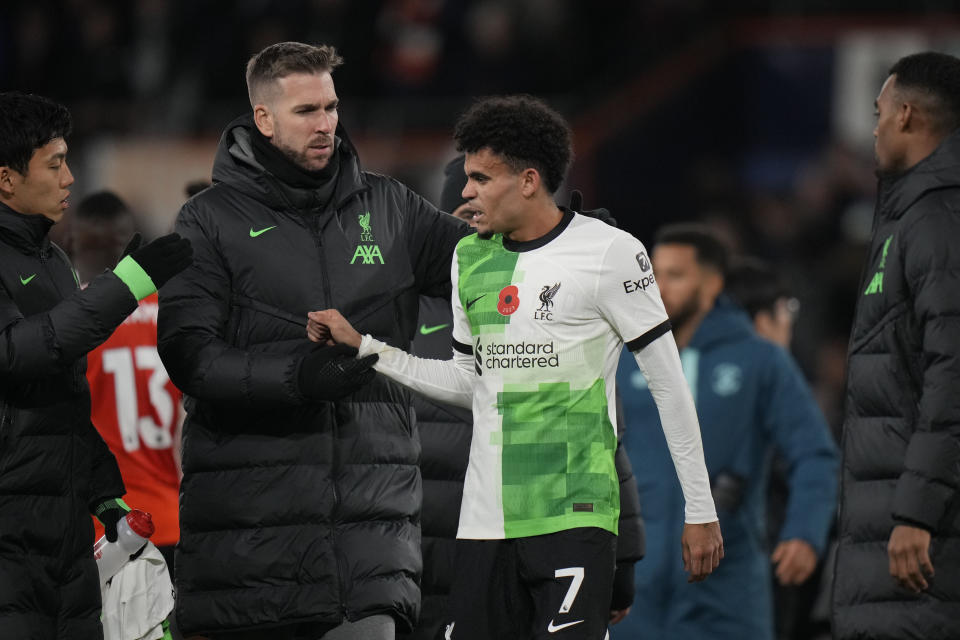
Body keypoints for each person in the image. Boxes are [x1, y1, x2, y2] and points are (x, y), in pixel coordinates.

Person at [307, 95, 722, 640]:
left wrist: (701, 507)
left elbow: (669, 387)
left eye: (480, 178)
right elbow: (469, 383)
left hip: (573, 513)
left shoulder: (611, 253)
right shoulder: (470, 259)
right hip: (484, 523)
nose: (465, 192)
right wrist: (368, 348)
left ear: (528, 181)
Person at [156, 42, 469, 640]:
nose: (326, 124)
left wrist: (560, 245)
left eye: (331, 107)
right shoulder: (207, 220)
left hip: (368, 551)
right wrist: (297, 379)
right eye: (306, 111)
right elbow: (190, 356)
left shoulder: (393, 207)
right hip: (246, 552)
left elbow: (482, 266)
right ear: (264, 118)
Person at [404, 156, 645, 639]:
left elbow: (602, 445)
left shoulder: (404, 316)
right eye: (469, 215)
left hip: (474, 560)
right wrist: (620, 569)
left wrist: (620, 566)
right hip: (450, 563)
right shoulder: (408, 313)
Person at [0, 91, 192, 639]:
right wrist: (130, 283)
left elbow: (65, 397)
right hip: (9, 537)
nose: (69, 178)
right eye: (55, 163)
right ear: (7, 178)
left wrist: (103, 492)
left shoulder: (54, 262)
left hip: (68, 533)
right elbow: (19, 350)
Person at [613, 225, 838, 640]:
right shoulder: (622, 359)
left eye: (676, 276)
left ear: (713, 283)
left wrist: (805, 532)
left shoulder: (760, 360)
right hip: (634, 594)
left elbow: (814, 453)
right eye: (652, 275)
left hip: (728, 592)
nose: (659, 288)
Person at [832, 51, 960, 640]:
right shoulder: (907, 215)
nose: (874, 125)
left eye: (879, 110)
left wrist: (915, 513)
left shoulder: (939, 218)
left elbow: (953, 372)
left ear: (907, 114)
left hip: (923, 542)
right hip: (892, 535)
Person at [68, 191, 184, 576]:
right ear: (131, 243)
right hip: (177, 518)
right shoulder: (174, 316)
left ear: (73, 245)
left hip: (107, 526)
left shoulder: (69, 327)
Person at [725, 256, 833, 640]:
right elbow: (814, 460)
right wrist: (805, 533)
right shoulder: (774, 386)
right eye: (786, 309)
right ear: (759, 321)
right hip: (767, 565)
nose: (790, 321)